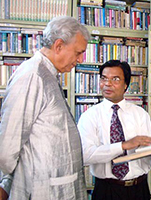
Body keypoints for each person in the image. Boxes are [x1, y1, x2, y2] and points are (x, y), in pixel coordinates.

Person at [0, 16, 90, 200]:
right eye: (78, 52)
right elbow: (8, 146)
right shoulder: (32, 75)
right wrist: (4, 184)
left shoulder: (47, 73)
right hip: (43, 190)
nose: (80, 59)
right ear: (58, 46)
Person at [77, 60, 151, 200]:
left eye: (115, 79)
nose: (107, 83)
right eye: (104, 78)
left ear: (126, 85)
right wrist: (123, 145)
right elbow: (85, 155)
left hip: (139, 189)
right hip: (106, 190)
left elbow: (148, 157)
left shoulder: (140, 114)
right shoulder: (89, 116)